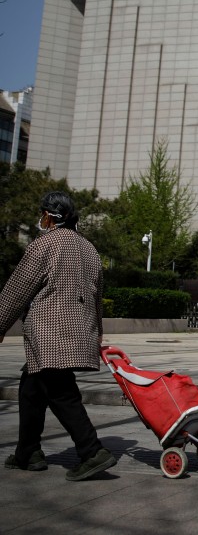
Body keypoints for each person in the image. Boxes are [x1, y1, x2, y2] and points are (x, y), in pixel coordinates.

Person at [0, 191, 117, 481]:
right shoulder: (89, 249)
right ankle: (28, 453)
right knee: (31, 388)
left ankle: (92, 452)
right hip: (79, 330)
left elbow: (17, 291)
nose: (40, 219)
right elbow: (98, 298)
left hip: (50, 331)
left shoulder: (44, 245)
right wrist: (96, 335)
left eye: (42, 214)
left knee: (61, 392)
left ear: (50, 217)